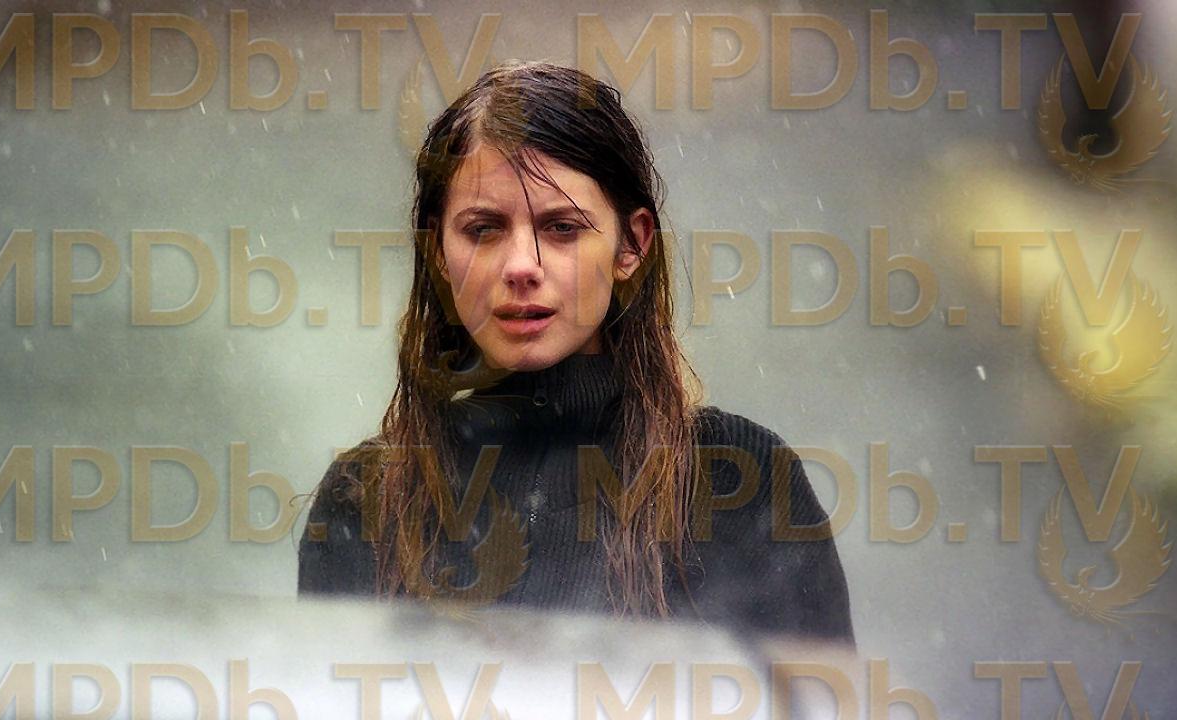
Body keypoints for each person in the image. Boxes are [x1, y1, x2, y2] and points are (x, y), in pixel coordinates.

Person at [297, 60, 855, 652]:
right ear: (438, 248)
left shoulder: (740, 481)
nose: (521, 266)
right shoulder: (366, 499)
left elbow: (819, 699)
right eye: (483, 229)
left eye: (561, 228)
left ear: (631, 244)